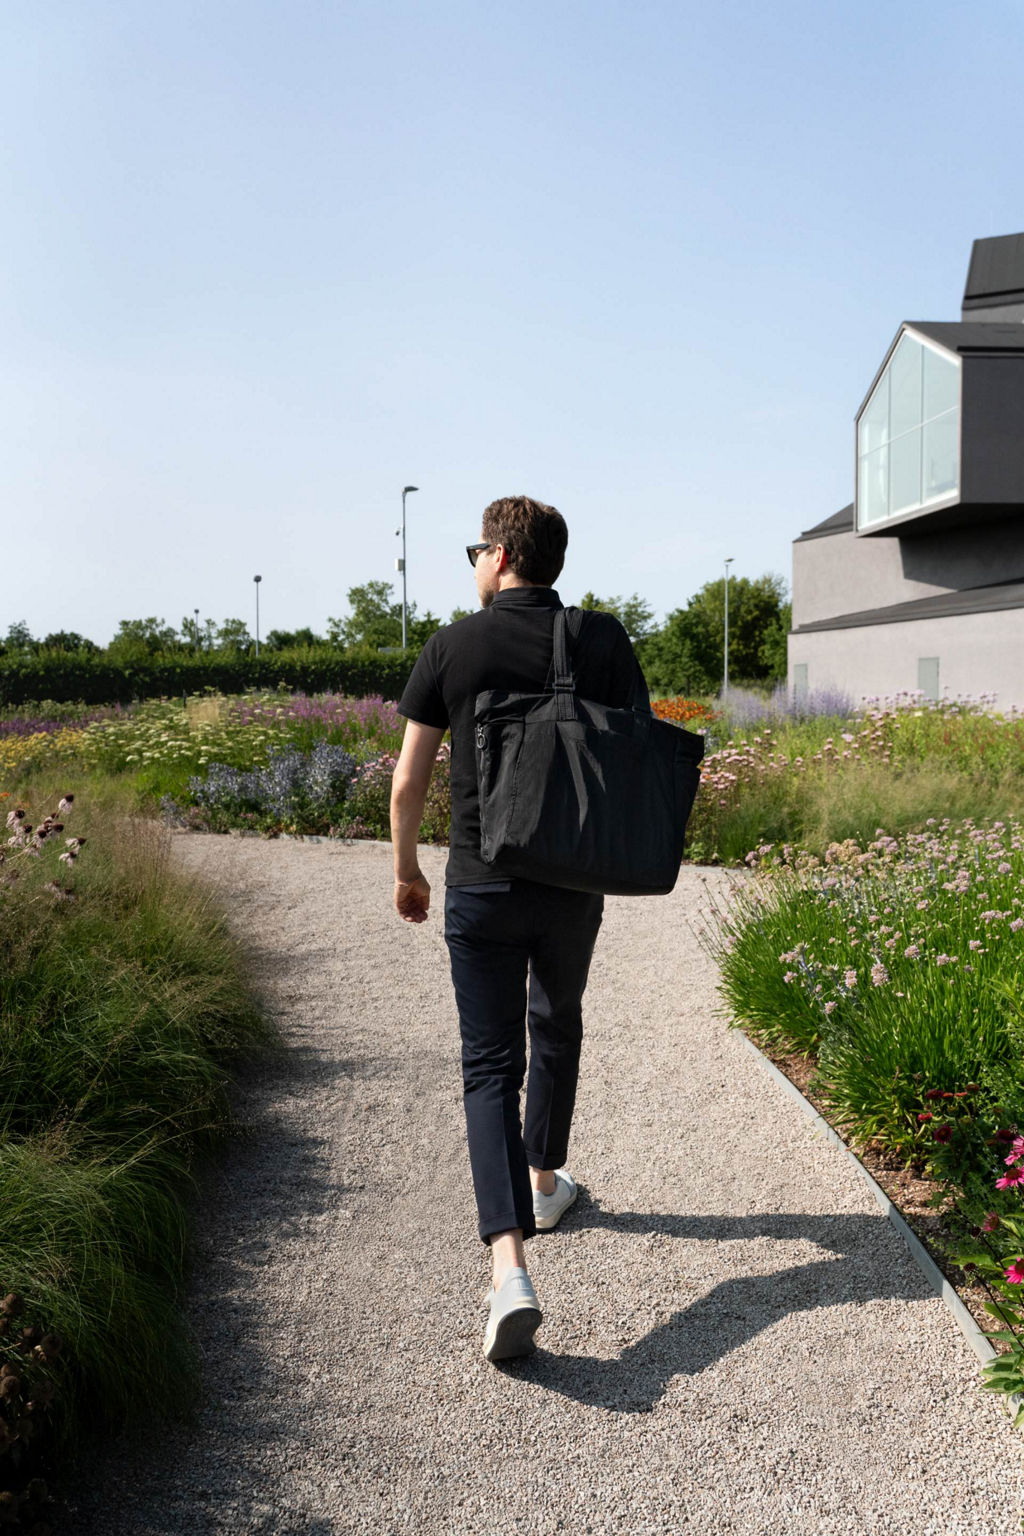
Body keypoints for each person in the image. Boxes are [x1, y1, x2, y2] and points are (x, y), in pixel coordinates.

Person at [389, 494, 647, 1363]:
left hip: (483, 885)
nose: (474, 563)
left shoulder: (455, 645)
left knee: (489, 1063)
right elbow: (635, 754)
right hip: (573, 885)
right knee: (558, 1020)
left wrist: (407, 871)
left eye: (476, 549)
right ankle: (543, 1180)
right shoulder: (603, 640)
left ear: (501, 556)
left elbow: (407, 785)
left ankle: (509, 1266)